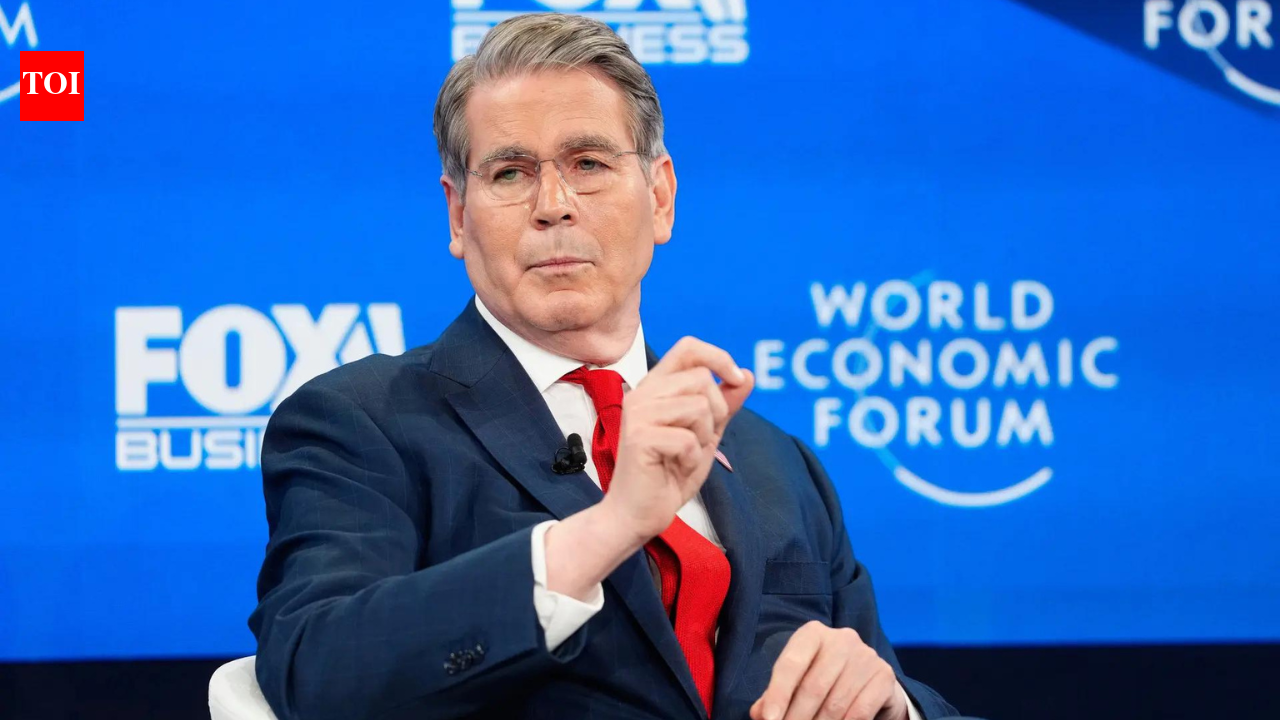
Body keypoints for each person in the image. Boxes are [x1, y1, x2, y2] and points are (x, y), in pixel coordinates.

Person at [249, 12, 961, 720]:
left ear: (660, 197)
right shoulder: (363, 423)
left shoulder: (778, 464)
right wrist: (610, 527)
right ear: (459, 216)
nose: (553, 206)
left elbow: (880, 679)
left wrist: (893, 705)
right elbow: (318, 670)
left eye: (588, 164)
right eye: (510, 173)